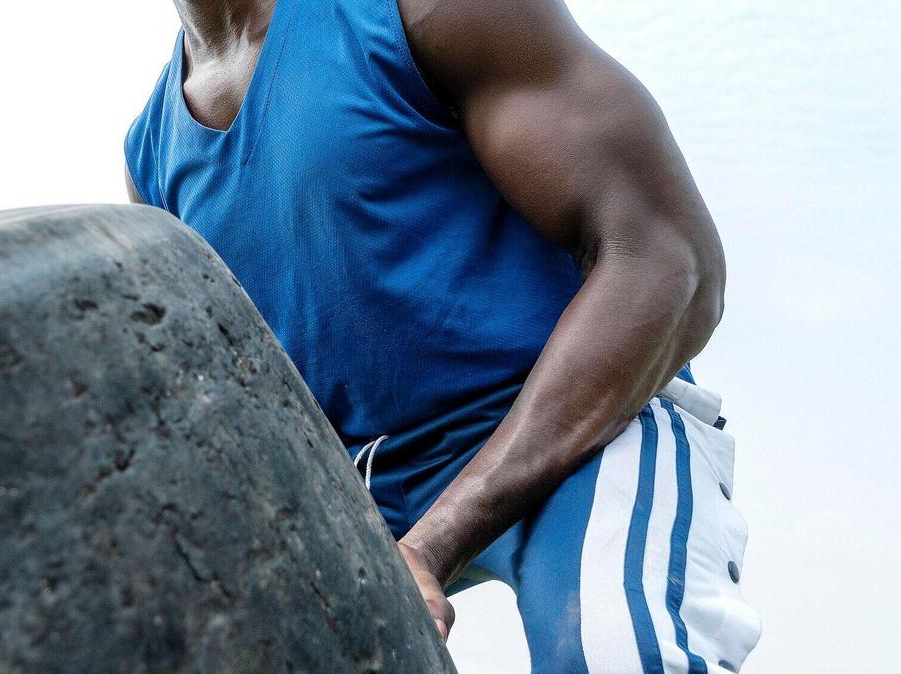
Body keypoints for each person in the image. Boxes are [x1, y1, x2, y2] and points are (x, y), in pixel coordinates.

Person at [125, 1, 761, 670]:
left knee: (610, 654)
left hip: (583, 426)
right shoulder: (153, 153)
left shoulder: (421, 13)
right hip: (362, 486)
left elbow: (670, 261)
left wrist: (432, 544)